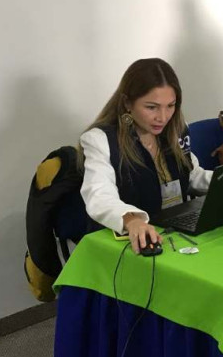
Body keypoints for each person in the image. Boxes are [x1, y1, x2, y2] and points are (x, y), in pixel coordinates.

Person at [80, 58, 211, 254]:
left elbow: (192, 176)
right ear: (127, 103)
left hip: (176, 235)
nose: (163, 117)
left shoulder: (173, 132)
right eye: (152, 107)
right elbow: (99, 195)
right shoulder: (100, 140)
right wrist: (132, 220)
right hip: (131, 246)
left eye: (171, 105)